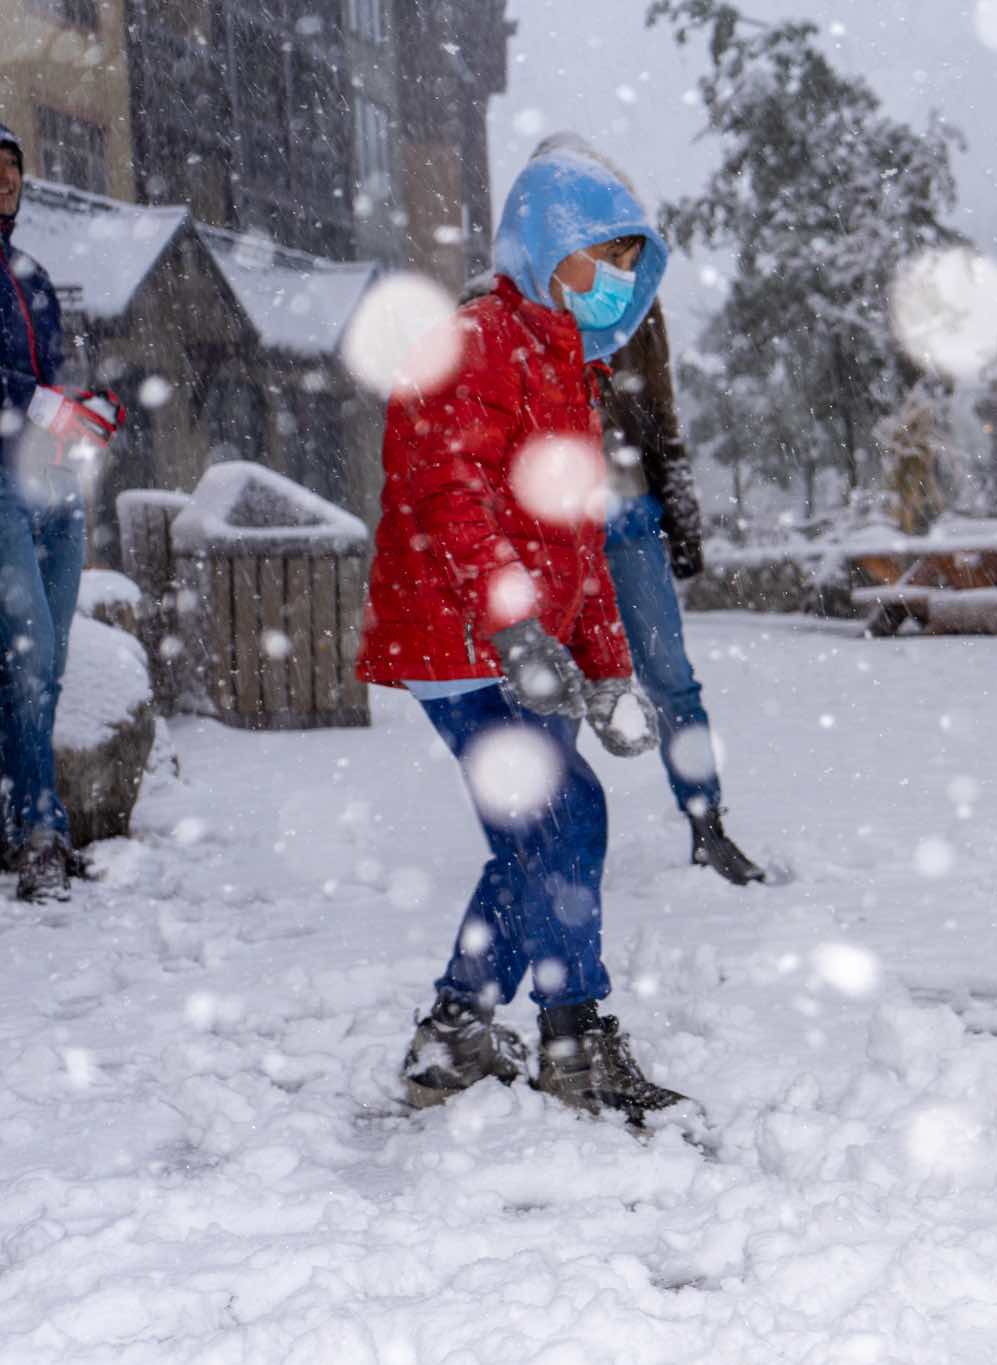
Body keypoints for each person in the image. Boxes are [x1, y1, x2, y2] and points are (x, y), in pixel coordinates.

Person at [357, 141, 688, 1122]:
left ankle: (455, 1029)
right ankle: (574, 1035)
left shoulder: (562, 367)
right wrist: (509, 626)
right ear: (551, 246)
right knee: (562, 817)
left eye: (633, 261)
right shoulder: (474, 340)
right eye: (605, 255)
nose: (620, 279)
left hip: (522, 647)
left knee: (533, 837)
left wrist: (610, 670)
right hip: (459, 639)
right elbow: (443, 485)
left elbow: (575, 542)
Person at [526, 133, 767, 886]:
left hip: (626, 517)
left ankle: (707, 823)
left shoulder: (632, 296)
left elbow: (658, 405)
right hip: (548, 533)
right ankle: (545, 843)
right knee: (548, 694)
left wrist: (679, 501)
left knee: (669, 679)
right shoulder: (503, 303)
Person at [0, 121, 117, 904]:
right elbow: (25, 388)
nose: (5, 180)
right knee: (31, 652)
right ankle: (41, 828)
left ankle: (31, 827)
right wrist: (37, 400)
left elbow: (56, 375)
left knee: (50, 659)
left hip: (54, 483)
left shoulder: (32, 275)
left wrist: (86, 403)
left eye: (12, 169)